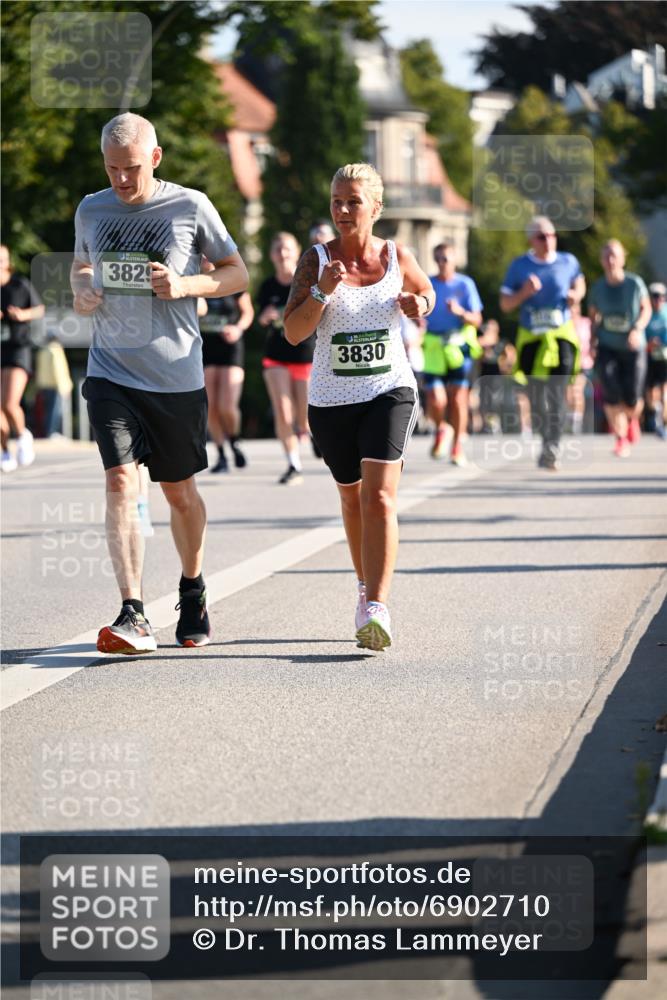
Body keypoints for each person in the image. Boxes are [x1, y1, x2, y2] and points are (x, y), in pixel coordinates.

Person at [71, 112, 248, 654]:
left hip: (174, 375)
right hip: (111, 370)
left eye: (131, 169)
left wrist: (187, 282)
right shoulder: (92, 208)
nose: (122, 181)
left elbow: (237, 272)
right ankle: (133, 613)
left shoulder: (189, 205)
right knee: (122, 481)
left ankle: (192, 587)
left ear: (156, 157)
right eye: (112, 169)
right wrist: (82, 290)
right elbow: (82, 266)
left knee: (180, 493)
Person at [284, 163, 434, 651]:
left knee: (381, 497)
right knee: (351, 497)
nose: (343, 211)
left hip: (390, 388)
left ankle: (377, 605)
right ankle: (363, 586)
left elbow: (426, 291)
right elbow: (293, 332)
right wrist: (323, 291)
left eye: (353, 201)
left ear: (376, 207)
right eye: (336, 202)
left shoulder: (396, 255)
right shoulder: (315, 260)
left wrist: (419, 305)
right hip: (331, 399)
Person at [500, 216, 585, 470]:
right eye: (541, 236)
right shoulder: (519, 266)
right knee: (536, 396)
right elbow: (505, 305)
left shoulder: (568, 261)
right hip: (531, 338)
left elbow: (580, 283)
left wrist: (575, 296)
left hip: (561, 337)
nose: (548, 240)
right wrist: (524, 293)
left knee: (557, 391)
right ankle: (546, 438)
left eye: (551, 235)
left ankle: (553, 445)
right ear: (531, 240)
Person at [258, 232, 314, 484]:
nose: (283, 254)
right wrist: (266, 316)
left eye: (287, 249)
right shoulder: (267, 286)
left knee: (305, 415)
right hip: (276, 355)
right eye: (278, 249)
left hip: (305, 355)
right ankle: (293, 463)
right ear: (271, 254)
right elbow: (259, 319)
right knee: (282, 409)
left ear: (297, 251)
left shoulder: (306, 283)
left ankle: (308, 432)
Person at [588, 239, 651, 458]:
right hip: (608, 346)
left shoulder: (635, 284)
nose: (611, 259)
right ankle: (620, 438)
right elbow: (593, 318)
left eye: (614, 255)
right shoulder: (597, 288)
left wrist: (637, 328)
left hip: (633, 347)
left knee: (633, 397)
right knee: (610, 390)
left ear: (623, 258)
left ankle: (632, 419)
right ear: (601, 261)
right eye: (606, 255)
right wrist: (592, 342)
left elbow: (646, 310)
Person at [422, 241, 483, 465]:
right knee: (436, 399)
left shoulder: (465, 284)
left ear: (454, 260)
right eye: (437, 258)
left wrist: (460, 313)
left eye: (445, 259)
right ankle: (442, 428)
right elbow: (420, 312)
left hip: (458, 346)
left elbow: (477, 319)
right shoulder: (429, 283)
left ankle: (457, 445)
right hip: (434, 346)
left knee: (458, 399)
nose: (441, 263)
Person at [199, 256, 254, 473]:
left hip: (231, 348)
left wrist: (238, 328)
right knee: (211, 406)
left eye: (208, 254)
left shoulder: (231, 279)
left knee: (227, 405)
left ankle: (234, 440)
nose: (205, 258)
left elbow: (248, 312)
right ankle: (221, 454)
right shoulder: (193, 281)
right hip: (206, 349)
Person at [1, 244, 44, 471]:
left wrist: (21, 314)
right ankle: (5, 451)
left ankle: (22, 436)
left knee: (9, 403)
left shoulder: (20, 285)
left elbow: (39, 309)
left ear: (8, 261)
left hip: (18, 348)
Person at [34, 332, 73, 438]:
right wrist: (63, 387)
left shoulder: (43, 350)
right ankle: (51, 433)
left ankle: (48, 432)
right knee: (54, 411)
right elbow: (58, 369)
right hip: (56, 385)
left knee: (48, 411)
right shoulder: (56, 349)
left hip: (44, 386)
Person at [644, 282, 667, 440]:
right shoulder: (646, 314)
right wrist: (649, 343)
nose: (658, 299)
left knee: (665, 390)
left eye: (661, 296)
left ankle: (663, 423)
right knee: (651, 391)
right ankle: (655, 414)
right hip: (649, 357)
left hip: (665, 357)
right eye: (655, 296)